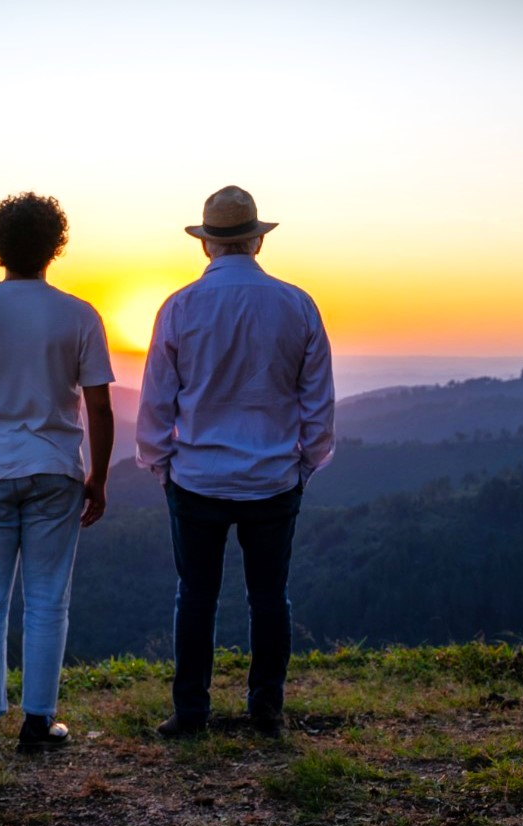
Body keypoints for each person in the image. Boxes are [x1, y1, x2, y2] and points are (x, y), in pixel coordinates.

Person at [137, 185, 334, 739]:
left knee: (195, 596)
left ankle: (192, 712)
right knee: (270, 595)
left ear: (206, 246)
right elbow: (317, 401)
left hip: (196, 477)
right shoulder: (297, 305)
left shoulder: (179, 308)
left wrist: (162, 466)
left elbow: (156, 401)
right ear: (256, 242)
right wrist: (305, 465)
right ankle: (266, 708)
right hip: (273, 478)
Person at [0, 192, 115, 752]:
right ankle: (38, 723)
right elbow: (100, 406)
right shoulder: (78, 313)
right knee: (47, 600)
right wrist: (99, 478)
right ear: (54, 245)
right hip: (55, 468)